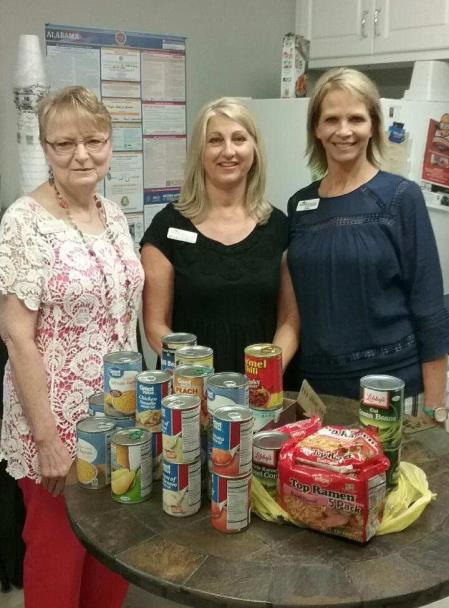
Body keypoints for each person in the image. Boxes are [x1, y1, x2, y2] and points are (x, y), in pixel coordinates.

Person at [0, 86, 144, 607]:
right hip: (57, 428)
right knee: (58, 565)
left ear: (110, 144)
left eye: (93, 140)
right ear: (46, 148)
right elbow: (17, 334)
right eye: (64, 144)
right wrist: (46, 439)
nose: (81, 154)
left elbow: (121, 316)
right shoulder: (23, 222)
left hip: (121, 419)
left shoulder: (113, 214)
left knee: (114, 557)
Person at [287, 67, 449, 414]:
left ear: (373, 126)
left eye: (356, 119)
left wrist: (436, 408)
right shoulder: (299, 205)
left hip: (392, 392)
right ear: (316, 128)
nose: (343, 131)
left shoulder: (400, 197)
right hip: (318, 393)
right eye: (331, 119)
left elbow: (430, 308)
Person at [140, 97, 299, 377]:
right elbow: (155, 325)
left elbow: (290, 321)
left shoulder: (279, 228)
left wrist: (264, 377)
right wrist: (198, 378)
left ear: (255, 150)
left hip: (264, 390)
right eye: (215, 140)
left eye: (239, 139)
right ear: (200, 152)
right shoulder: (168, 227)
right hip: (188, 390)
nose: (228, 151)